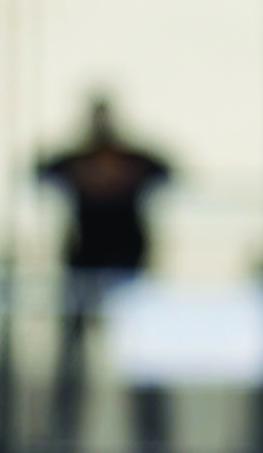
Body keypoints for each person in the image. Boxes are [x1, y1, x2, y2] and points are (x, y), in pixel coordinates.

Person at [38, 94, 173, 453]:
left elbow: (167, 171)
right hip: (83, 274)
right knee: (71, 369)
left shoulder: (134, 161)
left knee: (142, 365)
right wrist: (89, 173)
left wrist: (118, 173)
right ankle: (62, 438)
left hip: (128, 273)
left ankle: (153, 441)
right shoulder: (74, 163)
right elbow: (44, 170)